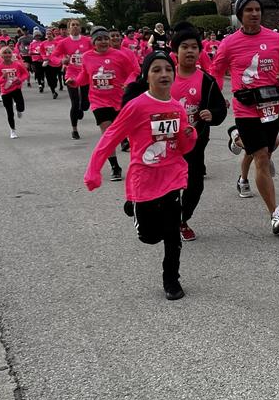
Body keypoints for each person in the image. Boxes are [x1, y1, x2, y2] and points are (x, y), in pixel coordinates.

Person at [84, 51, 197, 301]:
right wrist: (93, 170)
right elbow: (110, 137)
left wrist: (189, 135)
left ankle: (171, 280)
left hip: (172, 178)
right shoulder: (136, 106)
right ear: (147, 76)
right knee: (149, 236)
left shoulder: (178, 108)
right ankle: (133, 204)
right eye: (156, 70)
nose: (164, 74)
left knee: (171, 234)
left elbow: (184, 147)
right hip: (143, 180)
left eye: (168, 69)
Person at [210, 0, 279, 234]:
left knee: (270, 147)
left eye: (257, 9)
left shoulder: (276, 39)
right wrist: (217, 99)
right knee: (262, 158)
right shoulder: (229, 43)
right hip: (246, 109)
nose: (255, 14)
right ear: (239, 14)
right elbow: (216, 72)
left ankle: (237, 142)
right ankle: (275, 216)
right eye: (249, 10)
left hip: (271, 107)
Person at [169, 24, 227, 241]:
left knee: (195, 185)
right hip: (167, 143)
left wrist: (213, 114)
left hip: (195, 142)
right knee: (170, 183)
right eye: (185, 47)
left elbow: (219, 108)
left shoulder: (207, 81)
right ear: (176, 51)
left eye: (194, 47)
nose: (191, 51)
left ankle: (182, 219)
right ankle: (167, 217)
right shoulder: (163, 75)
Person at [74, 27, 139, 176]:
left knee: (128, 132)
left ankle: (137, 163)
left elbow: (134, 72)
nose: (103, 42)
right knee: (107, 133)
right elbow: (84, 76)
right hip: (98, 101)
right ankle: (115, 167)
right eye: (99, 39)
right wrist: (74, 82)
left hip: (119, 100)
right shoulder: (87, 57)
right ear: (93, 42)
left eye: (105, 39)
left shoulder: (119, 55)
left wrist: (128, 83)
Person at [56, 18, 92, 140]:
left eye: (77, 25)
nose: (75, 27)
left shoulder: (88, 41)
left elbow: (94, 53)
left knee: (86, 103)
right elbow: (54, 56)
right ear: (69, 28)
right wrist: (61, 60)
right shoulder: (64, 42)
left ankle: (82, 106)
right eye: (73, 25)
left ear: (80, 27)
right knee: (74, 103)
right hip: (71, 74)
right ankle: (74, 129)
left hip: (85, 73)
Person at [0, 46, 29, 139]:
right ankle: (12, 130)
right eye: (5, 53)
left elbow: (26, 74)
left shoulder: (17, 65)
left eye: (9, 53)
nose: (7, 55)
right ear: (1, 55)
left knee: (21, 107)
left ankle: (19, 109)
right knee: (9, 112)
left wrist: (20, 80)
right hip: (5, 91)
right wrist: (3, 78)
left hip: (16, 88)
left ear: (11, 54)